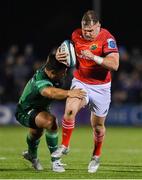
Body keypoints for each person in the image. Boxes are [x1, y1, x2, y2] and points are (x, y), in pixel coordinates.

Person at [51, 10, 119, 173]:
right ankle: (65, 146)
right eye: (85, 30)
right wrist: (59, 56)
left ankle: (96, 156)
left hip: (101, 87)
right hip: (81, 82)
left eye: (91, 30)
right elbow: (69, 55)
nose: (87, 34)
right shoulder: (75, 35)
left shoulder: (107, 38)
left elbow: (114, 65)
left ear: (98, 26)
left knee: (97, 126)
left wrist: (94, 57)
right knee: (69, 110)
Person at [15, 48, 86, 173]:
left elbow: (51, 57)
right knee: (50, 122)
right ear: (53, 72)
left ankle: (32, 155)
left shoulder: (50, 67)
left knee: (37, 133)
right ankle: (55, 162)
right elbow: (49, 92)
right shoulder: (42, 79)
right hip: (25, 111)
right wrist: (69, 93)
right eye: (63, 72)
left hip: (39, 108)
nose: (65, 74)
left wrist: (59, 51)